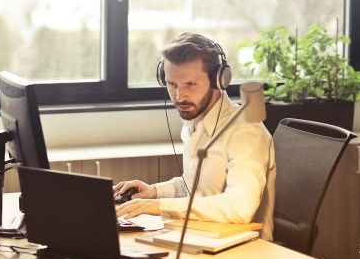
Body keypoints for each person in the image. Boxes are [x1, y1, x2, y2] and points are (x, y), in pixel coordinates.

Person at [115, 32, 276, 240]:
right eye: (172, 84)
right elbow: (193, 188)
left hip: (244, 251)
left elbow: (239, 207)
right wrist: (154, 192)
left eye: (190, 84)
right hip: (201, 237)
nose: (179, 97)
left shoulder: (245, 132)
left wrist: (158, 206)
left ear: (219, 80)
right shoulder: (194, 123)